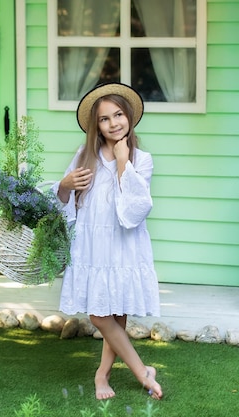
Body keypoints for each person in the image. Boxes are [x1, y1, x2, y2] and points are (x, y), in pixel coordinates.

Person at [52, 82, 163, 401]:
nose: (114, 123)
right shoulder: (84, 155)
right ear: (96, 125)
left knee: (117, 312)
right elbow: (64, 205)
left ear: (129, 117)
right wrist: (64, 185)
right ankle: (143, 372)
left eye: (118, 115)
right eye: (104, 118)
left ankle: (103, 375)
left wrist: (122, 160)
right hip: (93, 246)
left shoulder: (142, 159)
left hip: (125, 244)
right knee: (100, 314)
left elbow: (134, 209)